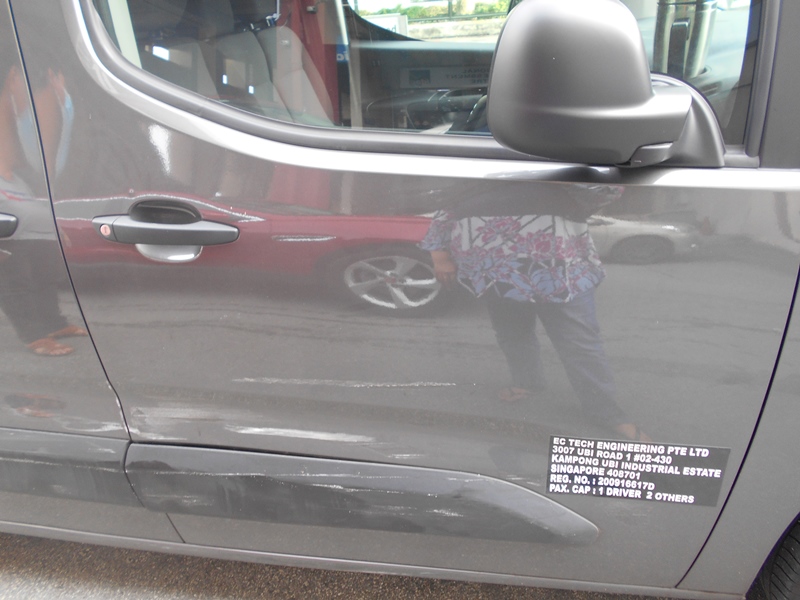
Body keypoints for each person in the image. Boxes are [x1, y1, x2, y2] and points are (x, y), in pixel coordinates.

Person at [420, 179, 649, 441]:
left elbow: (607, 191)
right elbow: (447, 209)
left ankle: (606, 412)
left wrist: (557, 172)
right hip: (496, 272)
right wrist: (440, 255)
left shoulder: (559, 166)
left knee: (580, 344)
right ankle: (528, 382)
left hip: (560, 272)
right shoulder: (480, 171)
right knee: (513, 335)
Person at [0, 54, 86, 356]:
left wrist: (52, 225)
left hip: (18, 195)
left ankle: (51, 321)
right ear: (13, 76)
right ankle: (33, 335)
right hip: (9, 217)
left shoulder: (21, 117)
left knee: (45, 270)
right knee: (15, 277)